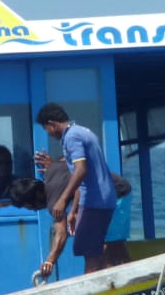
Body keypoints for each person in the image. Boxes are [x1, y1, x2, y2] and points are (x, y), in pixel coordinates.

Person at [9, 156, 131, 279]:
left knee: (106, 248)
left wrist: (49, 261)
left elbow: (61, 234)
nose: (34, 209)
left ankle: (120, 290)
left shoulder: (54, 202)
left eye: (30, 206)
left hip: (113, 196)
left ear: (36, 196)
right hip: (117, 188)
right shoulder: (51, 170)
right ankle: (134, 286)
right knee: (115, 246)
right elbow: (70, 160)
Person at [34, 102, 117, 274]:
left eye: (46, 129)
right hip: (100, 199)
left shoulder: (71, 137)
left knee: (90, 253)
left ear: (52, 124)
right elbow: (83, 177)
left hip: (95, 201)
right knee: (93, 249)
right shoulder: (82, 131)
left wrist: (63, 200)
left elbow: (81, 170)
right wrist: (75, 210)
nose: (48, 133)